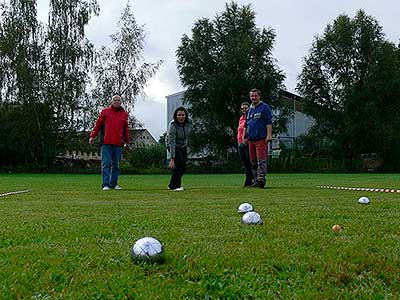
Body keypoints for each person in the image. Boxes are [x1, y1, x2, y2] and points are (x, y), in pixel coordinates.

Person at [89, 95, 130, 191]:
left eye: (118, 100)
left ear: (121, 102)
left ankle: (114, 184)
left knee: (116, 165)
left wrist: (127, 141)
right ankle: (105, 184)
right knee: (106, 164)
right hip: (106, 143)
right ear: (112, 102)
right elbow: (98, 125)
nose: (116, 102)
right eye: (115, 100)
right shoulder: (105, 112)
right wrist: (92, 136)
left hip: (118, 143)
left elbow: (126, 129)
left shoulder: (124, 114)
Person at [243, 88, 273, 188]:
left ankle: (261, 179)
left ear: (259, 96)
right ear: (250, 97)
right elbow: (246, 124)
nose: (254, 97)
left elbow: (268, 122)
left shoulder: (264, 107)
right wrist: (244, 136)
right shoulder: (249, 110)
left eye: (255, 96)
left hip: (261, 138)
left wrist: (269, 135)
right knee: (253, 161)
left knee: (261, 160)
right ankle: (256, 180)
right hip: (251, 139)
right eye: (252, 96)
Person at [166, 106, 192, 191]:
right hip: (172, 144)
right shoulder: (173, 125)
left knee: (183, 166)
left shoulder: (189, 122)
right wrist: (172, 158)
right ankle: (176, 186)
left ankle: (171, 184)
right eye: (179, 115)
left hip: (183, 144)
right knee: (179, 163)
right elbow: (172, 141)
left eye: (183, 115)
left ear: (186, 116)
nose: (181, 117)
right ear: (176, 116)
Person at [237, 102, 254, 187]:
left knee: (250, 162)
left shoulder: (251, 118)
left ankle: (253, 179)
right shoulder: (241, 118)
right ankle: (248, 180)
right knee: (245, 163)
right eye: (242, 108)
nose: (244, 110)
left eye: (246, 108)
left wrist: (247, 138)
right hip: (240, 143)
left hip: (248, 142)